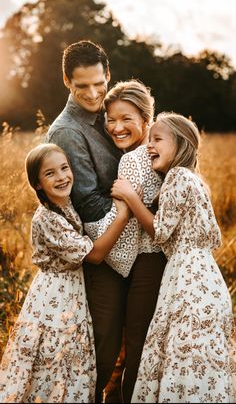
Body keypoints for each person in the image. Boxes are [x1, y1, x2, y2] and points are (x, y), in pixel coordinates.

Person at [111, 112, 236, 403]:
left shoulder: (178, 177)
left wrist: (130, 197)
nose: (149, 146)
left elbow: (159, 231)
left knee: (184, 352)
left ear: (180, 144)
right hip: (205, 277)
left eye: (157, 139)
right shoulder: (194, 180)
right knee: (195, 358)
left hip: (189, 281)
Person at [0, 143, 130, 403]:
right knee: (53, 358)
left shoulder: (68, 205)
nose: (61, 177)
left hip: (72, 295)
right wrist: (124, 214)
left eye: (64, 168)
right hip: (54, 299)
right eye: (50, 173)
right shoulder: (47, 218)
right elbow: (94, 255)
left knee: (70, 360)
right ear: (37, 184)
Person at [45, 40, 125, 402]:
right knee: (99, 355)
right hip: (98, 256)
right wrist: (138, 204)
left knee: (127, 350)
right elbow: (90, 205)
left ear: (108, 74)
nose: (93, 93)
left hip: (124, 244)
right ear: (66, 82)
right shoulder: (67, 131)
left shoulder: (110, 113)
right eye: (82, 87)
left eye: (99, 83)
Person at [84, 80, 167, 403]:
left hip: (148, 261)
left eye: (126, 119)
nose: (116, 127)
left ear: (147, 118)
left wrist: (107, 260)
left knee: (136, 347)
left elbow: (129, 235)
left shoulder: (132, 160)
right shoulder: (161, 151)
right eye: (111, 119)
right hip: (163, 262)